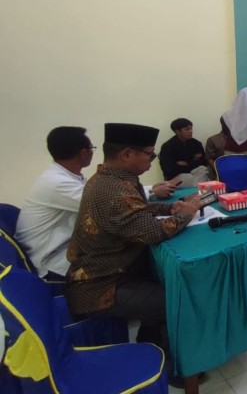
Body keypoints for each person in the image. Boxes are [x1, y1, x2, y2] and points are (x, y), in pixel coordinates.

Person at [66, 123, 202, 386]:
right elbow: (152, 233)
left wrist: (168, 208)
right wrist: (184, 216)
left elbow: (138, 210)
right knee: (178, 298)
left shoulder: (111, 179)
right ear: (127, 154)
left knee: (162, 278)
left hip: (112, 272)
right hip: (100, 286)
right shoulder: (114, 190)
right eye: (149, 154)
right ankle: (177, 369)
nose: (152, 161)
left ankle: (151, 342)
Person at [16, 127, 94, 280]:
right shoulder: (57, 183)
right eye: (92, 148)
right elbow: (105, 203)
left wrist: (145, 190)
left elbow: (99, 194)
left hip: (62, 250)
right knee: (123, 260)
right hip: (50, 264)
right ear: (83, 153)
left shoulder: (64, 176)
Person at [158, 118, 210, 185]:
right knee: (189, 177)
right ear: (177, 131)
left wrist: (187, 163)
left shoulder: (196, 143)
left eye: (191, 128)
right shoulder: (167, 146)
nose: (191, 131)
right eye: (187, 129)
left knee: (202, 169)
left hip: (195, 173)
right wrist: (193, 161)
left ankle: (197, 188)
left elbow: (203, 162)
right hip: (177, 176)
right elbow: (170, 169)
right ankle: (198, 188)